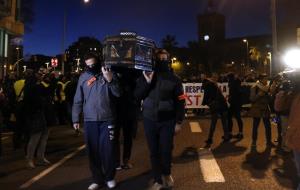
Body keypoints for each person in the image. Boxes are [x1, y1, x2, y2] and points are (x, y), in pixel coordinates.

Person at [134, 49, 185, 190]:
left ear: (168, 60)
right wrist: (148, 82)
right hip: (149, 119)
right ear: (154, 60)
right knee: (153, 151)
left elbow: (180, 101)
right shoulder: (145, 75)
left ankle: (167, 174)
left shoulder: (175, 79)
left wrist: (179, 122)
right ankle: (158, 180)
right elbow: (137, 96)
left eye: (164, 58)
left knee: (166, 150)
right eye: (159, 58)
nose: (162, 61)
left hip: (167, 120)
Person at [72, 53, 120, 190]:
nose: (91, 67)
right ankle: (97, 179)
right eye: (88, 65)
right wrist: (75, 118)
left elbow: (118, 93)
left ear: (99, 62)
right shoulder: (83, 77)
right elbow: (78, 100)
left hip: (108, 119)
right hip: (90, 120)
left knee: (108, 150)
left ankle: (110, 177)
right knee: (93, 151)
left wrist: (110, 80)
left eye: (94, 64)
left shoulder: (109, 73)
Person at [113, 68, 139, 170]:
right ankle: (117, 162)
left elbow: (136, 92)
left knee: (127, 137)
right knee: (115, 138)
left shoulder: (131, 75)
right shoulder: (111, 73)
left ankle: (126, 160)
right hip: (115, 112)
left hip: (128, 111)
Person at [23, 71, 50, 168]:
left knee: (44, 136)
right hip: (35, 114)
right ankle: (30, 159)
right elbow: (34, 100)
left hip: (40, 114)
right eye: (39, 74)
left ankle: (40, 157)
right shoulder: (32, 87)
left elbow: (48, 91)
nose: (41, 75)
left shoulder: (36, 85)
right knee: (35, 137)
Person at [202, 77, 230, 147]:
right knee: (224, 122)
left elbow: (205, 98)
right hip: (223, 105)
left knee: (213, 123)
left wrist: (206, 103)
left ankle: (210, 138)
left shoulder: (207, 87)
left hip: (215, 107)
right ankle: (226, 136)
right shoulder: (215, 86)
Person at [248, 74, 273, 148]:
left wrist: (270, 95)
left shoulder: (267, 87)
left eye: (267, 78)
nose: (267, 80)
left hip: (265, 109)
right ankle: (254, 142)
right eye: (265, 79)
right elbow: (252, 99)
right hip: (257, 109)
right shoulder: (255, 87)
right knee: (255, 126)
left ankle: (269, 142)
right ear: (261, 79)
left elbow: (270, 100)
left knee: (268, 127)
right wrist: (259, 95)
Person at [227, 73, 244, 139]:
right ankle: (240, 132)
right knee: (237, 118)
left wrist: (230, 98)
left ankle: (231, 133)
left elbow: (235, 93)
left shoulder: (233, 83)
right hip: (236, 103)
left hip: (234, 103)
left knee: (231, 118)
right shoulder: (236, 82)